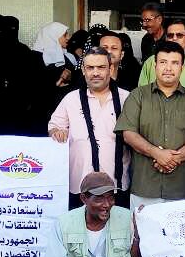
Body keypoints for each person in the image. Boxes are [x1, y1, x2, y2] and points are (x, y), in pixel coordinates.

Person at [115, 42, 185, 209]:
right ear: (155, 66)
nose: (168, 68)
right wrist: (156, 153)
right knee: (143, 227)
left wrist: (175, 158)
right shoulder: (138, 96)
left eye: (174, 63)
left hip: (183, 187)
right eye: (163, 62)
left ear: (182, 68)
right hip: (145, 188)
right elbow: (128, 134)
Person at [49, 47, 131, 210]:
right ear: (83, 70)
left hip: (116, 184)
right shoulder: (71, 99)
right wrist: (57, 132)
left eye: (101, 67)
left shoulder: (127, 98)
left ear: (111, 69)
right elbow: (54, 126)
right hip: (79, 183)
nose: (95, 73)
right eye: (90, 68)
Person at [138, 20, 185, 99]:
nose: (174, 38)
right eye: (170, 35)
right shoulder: (151, 62)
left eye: (179, 35)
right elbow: (141, 95)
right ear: (166, 39)